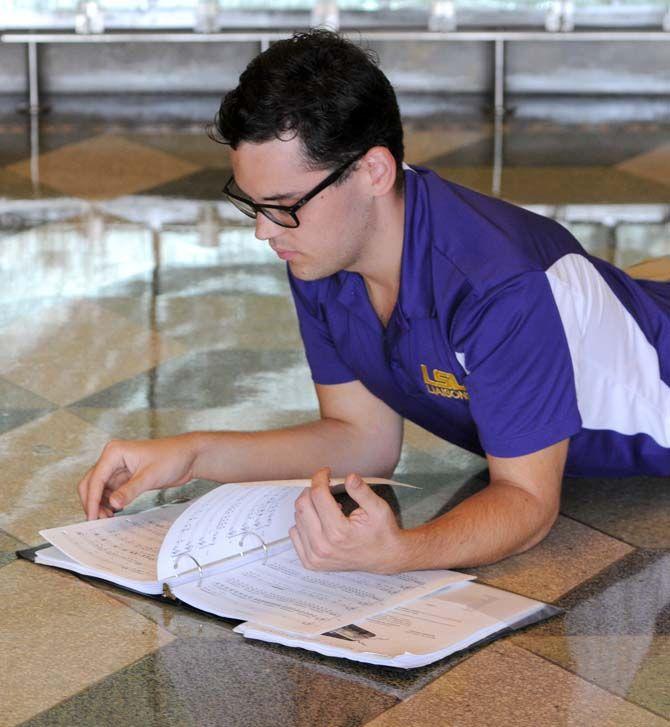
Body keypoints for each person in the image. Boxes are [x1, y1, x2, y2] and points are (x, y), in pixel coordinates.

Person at [77, 29, 670, 574]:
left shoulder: (497, 285)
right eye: (252, 204)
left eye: (281, 205)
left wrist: (402, 551)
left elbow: (528, 504)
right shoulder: (320, 251)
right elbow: (363, 441)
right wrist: (194, 453)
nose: (264, 231)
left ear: (374, 172)